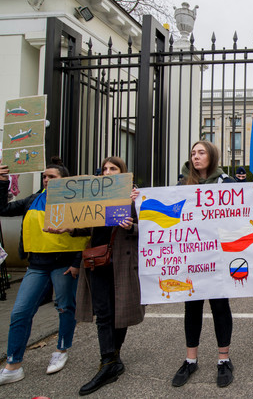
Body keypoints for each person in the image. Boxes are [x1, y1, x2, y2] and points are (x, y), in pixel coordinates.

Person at [0, 160, 89, 386]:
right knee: (20, 312)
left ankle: (61, 349)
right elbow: (3, 209)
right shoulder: (33, 199)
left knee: (65, 306)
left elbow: (86, 233)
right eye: (45, 177)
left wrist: (77, 262)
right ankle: (13, 364)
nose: (46, 180)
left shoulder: (75, 202)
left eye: (52, 177)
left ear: (64, 181)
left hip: (64, 264)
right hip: (37, 265)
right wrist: (1, 183)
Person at [75, 157, 145, 395]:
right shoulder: (95, 197)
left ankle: (113, 359)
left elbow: (150, 228)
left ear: (123, 173)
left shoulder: (134, 198)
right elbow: (84, 224)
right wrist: (67, 226)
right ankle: (108, 361)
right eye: (104, 169)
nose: (107, 172)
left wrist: (131, 226)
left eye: (113, 169)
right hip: (97, 261)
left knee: (120, 313)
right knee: (104, 313)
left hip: (122, 263)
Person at [171, 141, 235, 388]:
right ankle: (190, 360)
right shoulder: (181, 186)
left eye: (201, 152)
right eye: (192, 153)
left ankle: (223, 359)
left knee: (220, 307)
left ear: (212, 156)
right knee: (192, 308)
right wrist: (139, 201)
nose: (196, 157)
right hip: (192, 259)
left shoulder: (226, 184)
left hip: (218, 260)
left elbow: (241, 212)